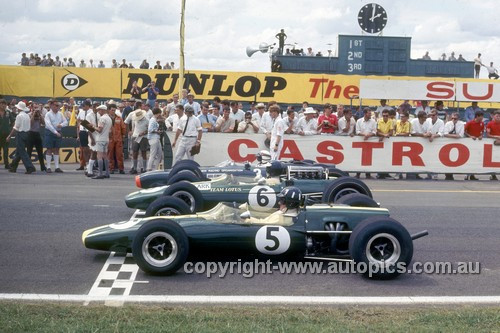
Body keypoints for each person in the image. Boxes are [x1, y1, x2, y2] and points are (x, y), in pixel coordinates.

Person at [6, 102, 36, 174]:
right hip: (27, 133)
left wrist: (9, 136)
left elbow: (15, 128)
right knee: (19, 151)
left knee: (21, 151)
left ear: (19, 108)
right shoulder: (27, 116)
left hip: (20, 134)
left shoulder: (19, 116)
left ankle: (30, 167)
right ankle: (13, 166)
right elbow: (30, 125)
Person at [44, 99, 67, 173]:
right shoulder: (48, 114)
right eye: (56, 105)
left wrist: (61, 125)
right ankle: (48, 167)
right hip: (50, 133)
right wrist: (55, 132)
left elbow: (66, 122)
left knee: (57, 149)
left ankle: (57, 167)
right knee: (49, 149)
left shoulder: (60, 114)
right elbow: (48, 125)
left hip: (58, 131)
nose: (57, 107)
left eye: (58, 105)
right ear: (51, 106)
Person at [125, 108, 149, 174]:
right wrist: (130, 131)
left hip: (143, 137)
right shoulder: (135, 119)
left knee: (143, 152)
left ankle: (144, 168)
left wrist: (144, 132)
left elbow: (149, 129)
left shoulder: (147, 120)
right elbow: (127, 123)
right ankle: (135, 168)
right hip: (135, 136)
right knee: (135, 152)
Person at [355, 108, 377, 179]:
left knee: (368, 159)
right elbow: (357, 131)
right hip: (361, 142)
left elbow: (374, 132)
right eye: (369, 113)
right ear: (365, 114)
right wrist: (364, 135)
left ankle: (368, 174)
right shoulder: (359, 121)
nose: (370, 114)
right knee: (359, 159)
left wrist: (368, 135)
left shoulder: (373, 121)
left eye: (370, 113)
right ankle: (357, 173)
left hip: (370, 142)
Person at [92, 105, 112, 179]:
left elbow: (99, 130)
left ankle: (100, 173)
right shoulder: (109, 118)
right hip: (106, 138)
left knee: (99, 156)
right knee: (105, 156)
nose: (98, 111)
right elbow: (110, 130)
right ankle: (107, 172)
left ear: (102, 110)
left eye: (99, 110)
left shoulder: (102, 118)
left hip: (100, 139)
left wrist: (93, 127)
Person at [464, 110, 485, 181]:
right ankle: (467, 175)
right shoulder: (470, 123)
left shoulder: (482, 123)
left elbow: (482, 131)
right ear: (477, 116)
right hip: (470, 143)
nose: (482, 118)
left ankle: (472, 175)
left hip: (477, 144)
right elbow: (464, 131)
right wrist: (470, 136)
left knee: (475, 159)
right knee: (468, 159)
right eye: (481, 116)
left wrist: (481, 135)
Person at [443, 112, 465, 180]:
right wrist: (455, 136)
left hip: (457, 144)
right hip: (447, 143)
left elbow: (460, 135)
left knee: (454, 159)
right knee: (446, 159)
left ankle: (452, 173)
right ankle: (447, 175)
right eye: (452, 118)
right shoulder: (448, 123)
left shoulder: (461, 124)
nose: (453, 120)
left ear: (458, 119)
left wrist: (451, 136)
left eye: (455, 119)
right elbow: (445, 134)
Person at [26, 103, 46, 172]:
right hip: (30, 133)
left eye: (37, 107)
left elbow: (43, 123)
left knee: (40, 151)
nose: (36, 109)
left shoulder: (40, 115)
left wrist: (40, 115)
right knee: (29, 152)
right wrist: (33, 114)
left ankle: (42, 166)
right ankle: (29, 167)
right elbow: (30, 124)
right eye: (35, 107)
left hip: (37, 134)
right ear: (32, 108)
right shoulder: (29, 115)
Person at [108, 103, 126, 174]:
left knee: (119, 155)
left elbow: (123, 128)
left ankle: (121, 168)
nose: (113, 111)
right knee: (110, 154)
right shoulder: (106, 118)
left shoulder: (119, 118)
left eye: (114, 110)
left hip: (118, 139)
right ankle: (111, 168)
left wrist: (123, 136)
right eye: (112, 110)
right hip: (109, 139)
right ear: (109, 110)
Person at [76, 100, 92, 171]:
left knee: (90, 149)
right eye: (82, 105)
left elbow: (92, 124)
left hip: (89, 132)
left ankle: (91, 164)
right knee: (83, 149)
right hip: (82, 131)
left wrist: (83, 122)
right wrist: (78, 134)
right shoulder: (81, 111)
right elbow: (78, 121)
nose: (82, 107)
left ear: (88, 106)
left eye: (84, 105)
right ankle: (85, 164)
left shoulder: (91, 112)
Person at [0, 99, 15, 169]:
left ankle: (6, 164)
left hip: (6, 134)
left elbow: (13, 122)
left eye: (4, 104)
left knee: (6, 150)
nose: (3, 105)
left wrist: (12, 130)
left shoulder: (8, 112)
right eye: (2, 104)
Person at [486, 110, 500, 180]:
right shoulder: (489, 124)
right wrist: (496, 137)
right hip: (492, 144)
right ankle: (493, 175)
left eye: (499, 116)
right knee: (493, 159)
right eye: (497, 116)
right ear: (493, 116)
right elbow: (488, 135)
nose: (498, 117)